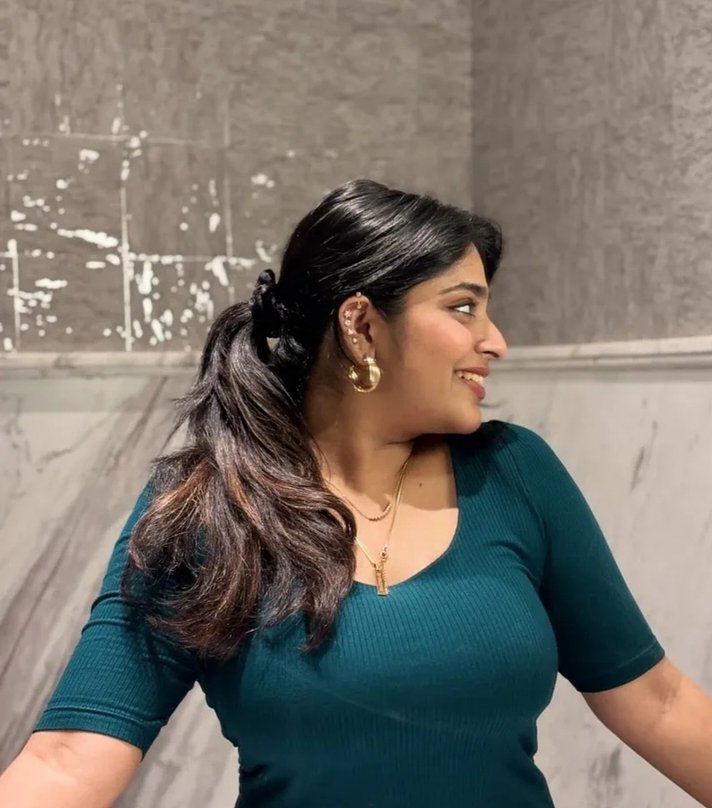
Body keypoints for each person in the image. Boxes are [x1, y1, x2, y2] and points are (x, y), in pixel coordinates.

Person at [1, 178, 711, 808]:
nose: (495, 340)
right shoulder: (211, 506)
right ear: (362, 325)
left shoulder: (515, 474)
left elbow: (657, 701)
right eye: (463, 307)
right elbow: (70, 757)